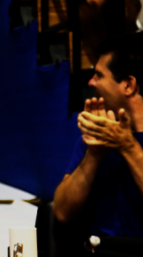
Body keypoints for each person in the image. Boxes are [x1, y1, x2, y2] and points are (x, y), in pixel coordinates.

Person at [53, 38, 143, 240]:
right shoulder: (96, 138)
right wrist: (94, 155)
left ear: (128, 85)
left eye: (99, 75)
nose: (91, 82)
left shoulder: (127, 142)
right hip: (99, 250)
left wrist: (128, 146)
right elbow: (61, 212)